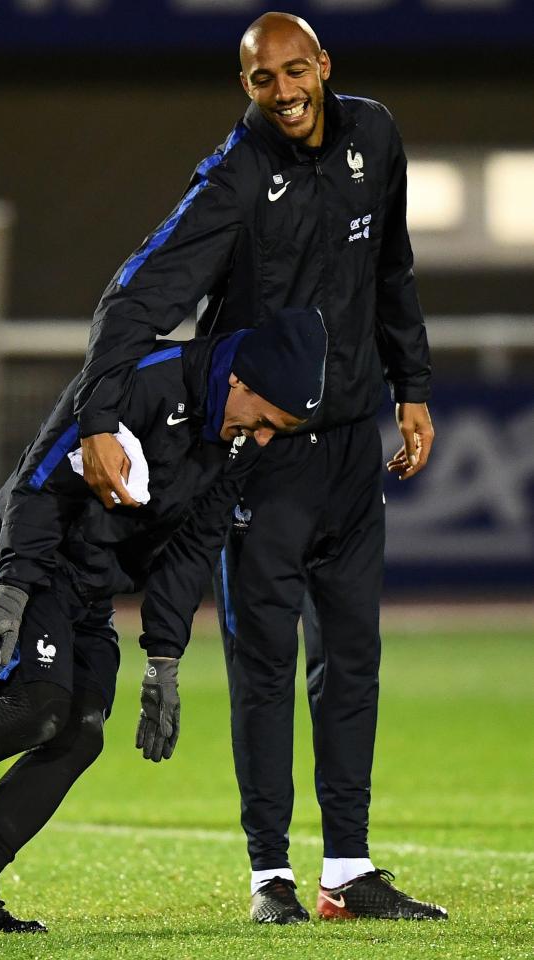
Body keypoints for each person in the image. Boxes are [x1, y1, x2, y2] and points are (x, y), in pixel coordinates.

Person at [72, 12, 445, 923]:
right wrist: (96, 416)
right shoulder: (236, 177)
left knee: (352, 661)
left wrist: (414, 383)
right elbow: (137, 290)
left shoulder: (377, 136)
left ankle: (348, 872)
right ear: (245, 87)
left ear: (324, 65)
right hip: (264, 461)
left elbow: (392, 268)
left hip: (356, 450)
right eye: (261, 80)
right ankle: (270, 877)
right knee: (266, 666)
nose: (283, 92)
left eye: (295, 71)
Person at [0, 308, 327, 934]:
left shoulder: (236, 440)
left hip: (88, 589)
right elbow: (37, 481)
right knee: (40, 707)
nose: (263, 438)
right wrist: (14, 587)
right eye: (266, 420)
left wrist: (164, 658)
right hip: (26, 562)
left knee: (80, 729)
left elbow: (192, 548)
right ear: (239, 380)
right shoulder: (137, 380)